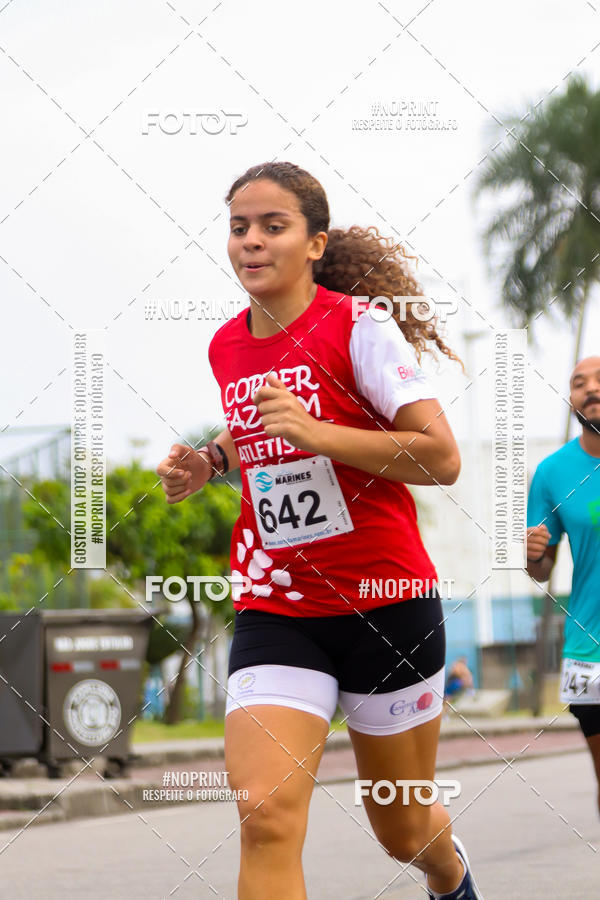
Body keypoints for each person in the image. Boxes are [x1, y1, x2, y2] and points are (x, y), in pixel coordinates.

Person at [157, 161, 483, 899]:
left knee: (402, 828)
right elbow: (256, 428)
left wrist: (320, 433)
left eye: (274, 227)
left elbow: (441, 458)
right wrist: (210, 461)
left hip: (387, 604)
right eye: (240, 227)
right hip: (281, 605)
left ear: (315, 243)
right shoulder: (225, 345)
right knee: (265, 813)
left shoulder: (361, 328)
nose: (252, 242)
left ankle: (452, 876)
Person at [526, 355, 600, 814]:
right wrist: (534, 554)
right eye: (579, 383)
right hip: (591, 651)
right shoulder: (553, 473)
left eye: (598, 379)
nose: (590, 388)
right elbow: (542, 570)